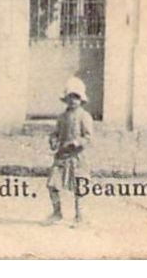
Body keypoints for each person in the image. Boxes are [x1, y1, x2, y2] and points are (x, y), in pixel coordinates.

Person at [45, 76, 94, 225]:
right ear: (65, 99)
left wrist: (77, 142)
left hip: (78, 157)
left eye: (76, 97)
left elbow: (89, 137)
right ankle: (57, 213)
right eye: (70, 97)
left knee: (80, 187)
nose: (73, 101)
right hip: (62, 156)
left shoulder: (84, 117)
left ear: (81, 99)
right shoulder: (62, 117)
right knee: (52, 184)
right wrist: (53, 140)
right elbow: (56, 133)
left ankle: (80, 217)